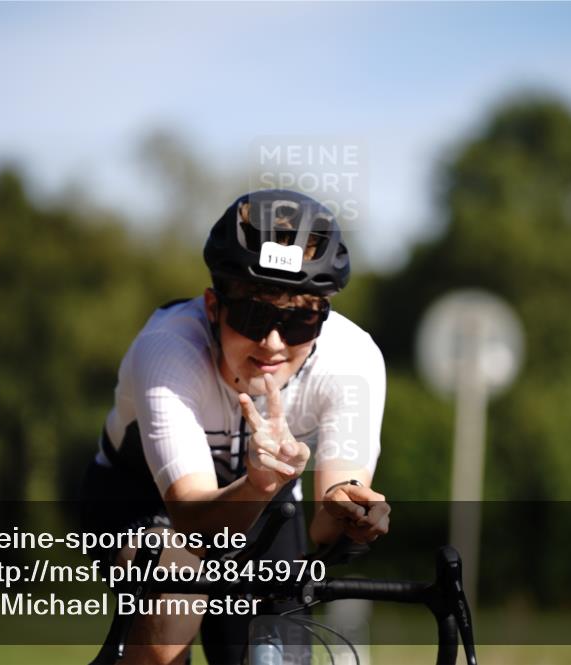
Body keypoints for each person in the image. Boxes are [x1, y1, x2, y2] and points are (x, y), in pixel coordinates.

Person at [82, 189, 389, 665]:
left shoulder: (354, 359)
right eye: (252, 315)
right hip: (143, 496)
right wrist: (262, 482)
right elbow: (190, 518)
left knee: (275, 656)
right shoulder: (168, 348)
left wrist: (354, 515)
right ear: (213, 307)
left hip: (267, 502)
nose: (272, 343)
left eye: (299, 322)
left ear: (321, 319)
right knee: (171, 611)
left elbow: (329, 520)